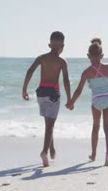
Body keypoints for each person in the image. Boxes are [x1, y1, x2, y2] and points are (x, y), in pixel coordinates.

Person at [67, 38, 108, 166]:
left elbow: (78, 91)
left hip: (96, 102)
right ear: (102, 56)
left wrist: (72, 102)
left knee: (95, 127)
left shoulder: (86, 72)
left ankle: (93, 154)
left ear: (88, 56)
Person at [22, 31, 71, 167]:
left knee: (48, 123)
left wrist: (24, 89)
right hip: (53, 93)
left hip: (41, 92)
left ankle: (52, 149)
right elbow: (66, 81)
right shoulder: (62, 61)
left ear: (49, 44)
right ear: (63, 46)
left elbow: (30, 71)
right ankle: (44, 151)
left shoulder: (41, 58)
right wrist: (70, 98)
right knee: (50, 125)